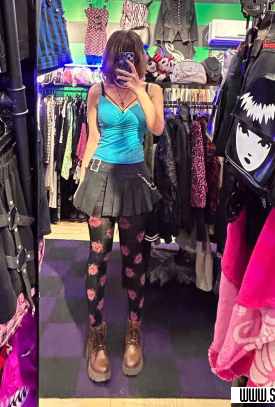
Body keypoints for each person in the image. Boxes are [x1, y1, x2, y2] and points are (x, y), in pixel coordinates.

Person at [74, 30, 164, 383]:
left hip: (135, 180)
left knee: (134, 258)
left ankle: (133, 330)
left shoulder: (152, 91)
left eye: (132, 55)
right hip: (100, 177)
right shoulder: (96, 91)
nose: (125, 61)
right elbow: (94, 138)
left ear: (140, 58)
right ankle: (96, 335)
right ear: (109, 57)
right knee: (98, 258)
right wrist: (82, 179)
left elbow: (156, 129)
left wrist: (139, 88)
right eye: (119, 55)